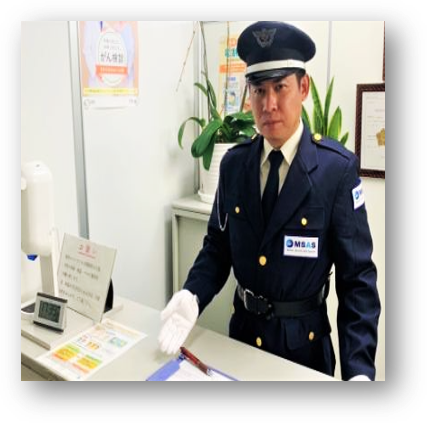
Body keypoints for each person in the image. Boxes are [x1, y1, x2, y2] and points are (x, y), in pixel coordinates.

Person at [158, 21, 381, 381]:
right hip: (242, 343)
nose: (269, 104)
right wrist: (193, 294)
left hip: (304, 354)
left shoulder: (335, 172)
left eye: (280, 87)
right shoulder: (234, 165)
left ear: (303, 88)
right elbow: (217, 248)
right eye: (259, 90)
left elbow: (357, 281)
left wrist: (359, 372)